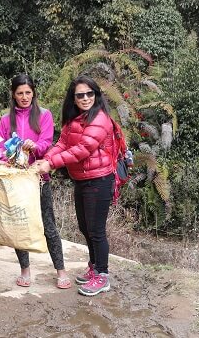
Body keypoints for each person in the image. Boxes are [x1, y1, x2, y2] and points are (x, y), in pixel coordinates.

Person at [34, 75, 115, 297]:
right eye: (80, 95)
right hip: (82, 178)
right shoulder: (75, 119)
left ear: (96, 95)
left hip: (99, 179)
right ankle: (94, 267)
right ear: (74, 98)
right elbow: (62, 143)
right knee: (85, 227)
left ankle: (103, 275)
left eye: (90, 93)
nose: (86, 98)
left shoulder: (100, 119)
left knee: (96, 230)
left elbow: (83, 149)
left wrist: (51, 164)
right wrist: (46, 158)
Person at [0, 74, 71, 289]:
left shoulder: (44, 115)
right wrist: (6, 156)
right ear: (13, 94)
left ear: (33, 93)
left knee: (48, 225)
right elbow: (0, 146)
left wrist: (35, 147)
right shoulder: (5, 120)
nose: (24, 97)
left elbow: (47, 143)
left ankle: (61, 270)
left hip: (39, 179)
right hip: (15, 180)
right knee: (19, 225)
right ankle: (25, 270)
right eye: (20, 93)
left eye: (28, 92)